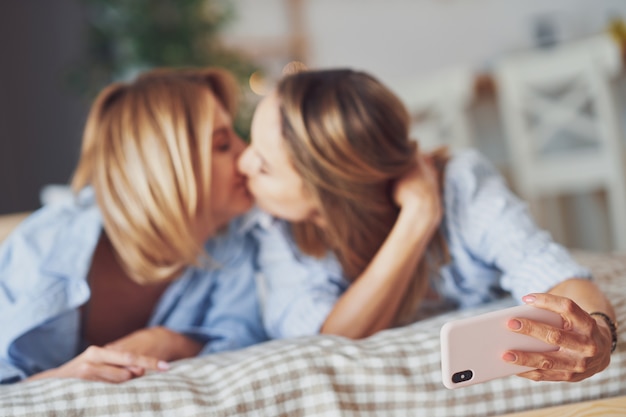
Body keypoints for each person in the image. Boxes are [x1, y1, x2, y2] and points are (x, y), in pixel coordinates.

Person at [237, 68, 617, 383]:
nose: (243, 164)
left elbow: (548, 271)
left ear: (331, 191)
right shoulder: (276, 231)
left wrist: (598, 331)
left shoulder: (460, 182)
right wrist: (416, 220)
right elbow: (328, 336)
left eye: (263, 164)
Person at [0, 67, 268, 384]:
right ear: (164, 167)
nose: (247, 154)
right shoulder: (42, 249)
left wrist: (173, 342)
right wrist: (58, 379)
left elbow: (241, 339)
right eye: (222, 145)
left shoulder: (235, 239)